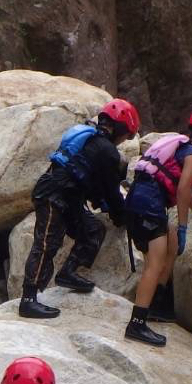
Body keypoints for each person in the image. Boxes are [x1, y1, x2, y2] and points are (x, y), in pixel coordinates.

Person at [122, 104, 192, 347]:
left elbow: (186, 191)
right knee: (155, 261)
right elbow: (184, 189)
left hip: (140, 199)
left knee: (171, 244)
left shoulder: (186, 148)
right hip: (149, 203)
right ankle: (137, 323)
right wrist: (184, 225)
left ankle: (155, 304)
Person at [19, 98, 141, 319]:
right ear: (120, 129)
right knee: (47, 243)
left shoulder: (93, 140)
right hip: (53, 195)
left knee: (92, 229)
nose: (124, 141)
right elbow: (110, 191)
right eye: (126, 135)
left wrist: (106, 205)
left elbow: (93, 183)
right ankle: (28, 299)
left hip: (69, 197)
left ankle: (67, 272)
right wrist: (121, 215)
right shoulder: (106, 150)